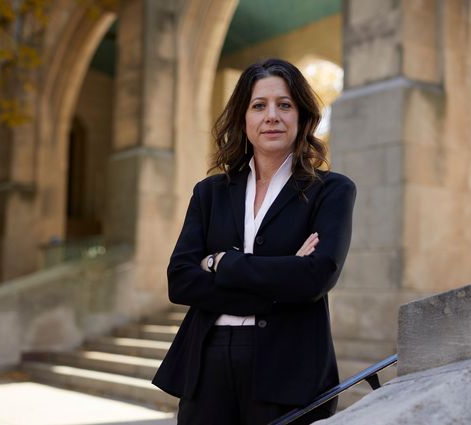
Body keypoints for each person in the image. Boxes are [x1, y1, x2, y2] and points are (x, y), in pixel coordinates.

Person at [152, 58, 356, 425]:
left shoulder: (332, 190)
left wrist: (222, 263)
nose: (272, 116)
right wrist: (283, 274)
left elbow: (316, 277)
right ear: (244, 119)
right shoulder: (210, 193)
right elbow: (180, 280)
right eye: (259, 105)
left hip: (288, 365)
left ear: (302, 116)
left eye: (284, 104)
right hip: (207, 361)